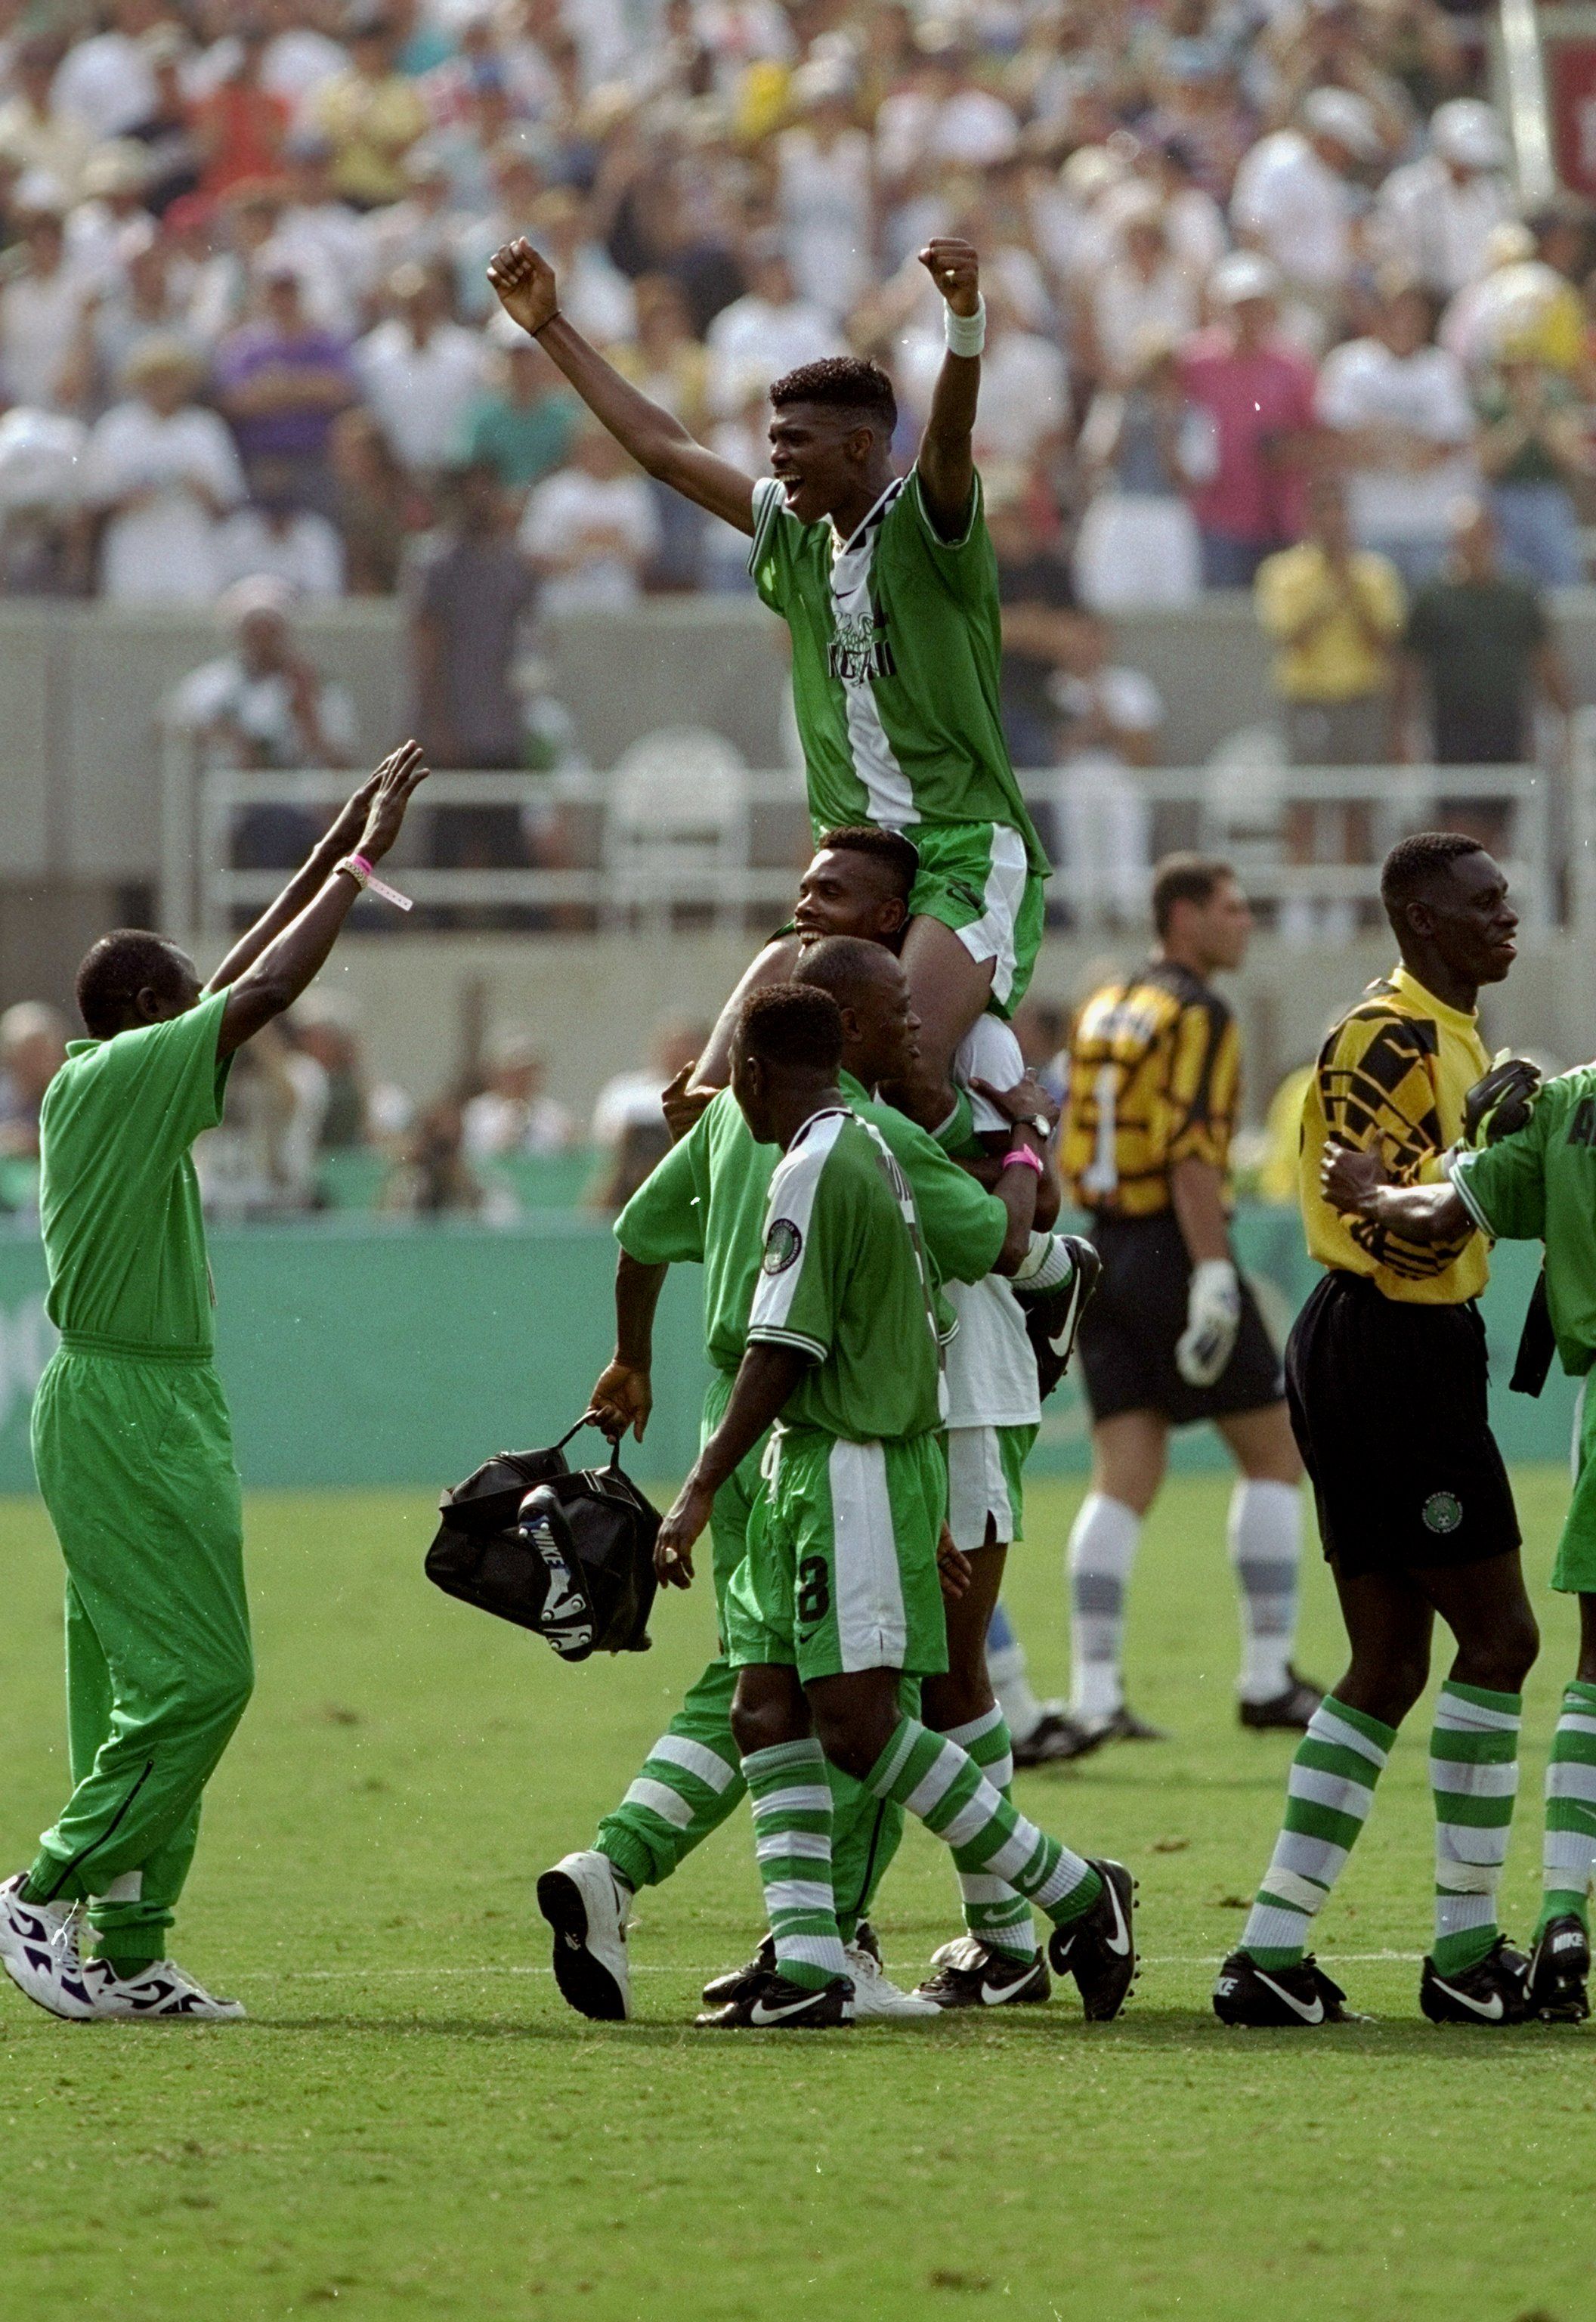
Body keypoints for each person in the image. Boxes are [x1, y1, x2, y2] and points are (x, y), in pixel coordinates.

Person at [0, 741, 428, 2025]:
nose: (214, 1017)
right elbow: (265, 990)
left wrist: (328, 845)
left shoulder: (116, 1078)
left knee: (145, 1680)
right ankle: (41, 1889)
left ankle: (128, 1946)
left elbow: (238, 976)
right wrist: (356, 869)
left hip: (151, 1398)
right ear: (144, 1013)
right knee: (205, 1679)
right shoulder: (123, 1077)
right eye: (184, 1000)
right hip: (126, 1404)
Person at [642, 983, 1134, 2030]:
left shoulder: (822, 1160)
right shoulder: (876, 1144)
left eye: (739, 1083)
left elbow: (783, 1350)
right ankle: (812, 1962)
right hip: (819, 1467)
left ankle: (1077, 1895)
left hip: (847, 1465)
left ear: (758, 1073)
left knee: (861, 1727)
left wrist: (695, 1490)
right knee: (762, 1702)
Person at [487, 231, 1053, 1119]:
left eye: (796, 442)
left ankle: (1016, 1204)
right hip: (854, 865)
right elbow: (664, 451)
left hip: (960, 844)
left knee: (899, 1076)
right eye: (772, 442)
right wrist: (551, 324)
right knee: (714, 1096)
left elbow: (949, 434)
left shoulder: (927, 525)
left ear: (864, 447)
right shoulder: (792, 534)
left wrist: (965, 322)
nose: (777, 459)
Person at [1214, 831, 1539, 2029]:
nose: (1507, 919)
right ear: (1419, 921)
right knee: (1500, 1640)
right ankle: (1464, 1949)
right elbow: (1412, 1233)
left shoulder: (1458, 1039)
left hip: (1394, 1348)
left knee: (1393, 1660)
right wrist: (1488, 1157)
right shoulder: (1387, 1038)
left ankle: (1269, 1951)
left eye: (1507, 901)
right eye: (1483, 905)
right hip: (1389, 1342)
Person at [1322, 1045, 1596, 2024]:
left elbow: (1446, 1209)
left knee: (1591, 1667)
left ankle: (1565, 1909)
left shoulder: (1572, 1105)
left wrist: (1370, 1184)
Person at [1058, 856, 1319, 1749]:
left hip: (1101, 1244)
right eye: (1231, 910)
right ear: (1182, 919)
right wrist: (1212, 1267)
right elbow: (1191, 1152)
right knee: (1276, 1454)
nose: (1247, 923)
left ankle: (1093, 1694)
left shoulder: (1104, 1001)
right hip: (1173, 1241)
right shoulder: (1199, 1011)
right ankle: (1267, 1675)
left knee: (1123, 1474)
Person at [1254, 475, 1406, 939]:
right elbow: (1290, 637)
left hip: (1360, 698)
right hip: (1307, 700)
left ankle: (1343, 907)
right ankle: (1300, 909)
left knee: (1355, 805)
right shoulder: (1283, 573)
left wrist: (1350, 588)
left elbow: (1383, 640)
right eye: (1324, 512)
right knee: (1303, 803)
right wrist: (1330, 591)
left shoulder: (1375, 574)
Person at [1395, 500, 1572, 850]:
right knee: (1457, 831)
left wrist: (1563, 720)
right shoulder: (1433, 597)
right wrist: (1400, 729)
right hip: (1452, 732)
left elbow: (1545, 662)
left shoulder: (1519, 594)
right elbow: (1408, 670)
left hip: (1506, 729)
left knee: (1500, 832)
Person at [1316, 280, 1477, 590]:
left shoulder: (1443, 369)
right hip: (1368, 525)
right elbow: (1339, 444)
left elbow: (1440, 450)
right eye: (1394, 311)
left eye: (1413, 312)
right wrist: (1408, 443)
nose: (1403, 320)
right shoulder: (1348, 366)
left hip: (1432, 526)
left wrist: (1379, 438)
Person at [1180, 253, 1318, 590]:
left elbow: (1312, 437)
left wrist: (1284, 451)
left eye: (1256, 305)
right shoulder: (1194, 362)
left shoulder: (1293, 365)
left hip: (1280, 516)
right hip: (1217, 517)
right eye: (1238, 306)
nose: (1247, 316)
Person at [0, 1002, 67, 1157]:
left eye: (46, 1053)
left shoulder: (64, 1096)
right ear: (10, 1055)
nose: (39, 1062)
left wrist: (37, 1143)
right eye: (31, 1053)